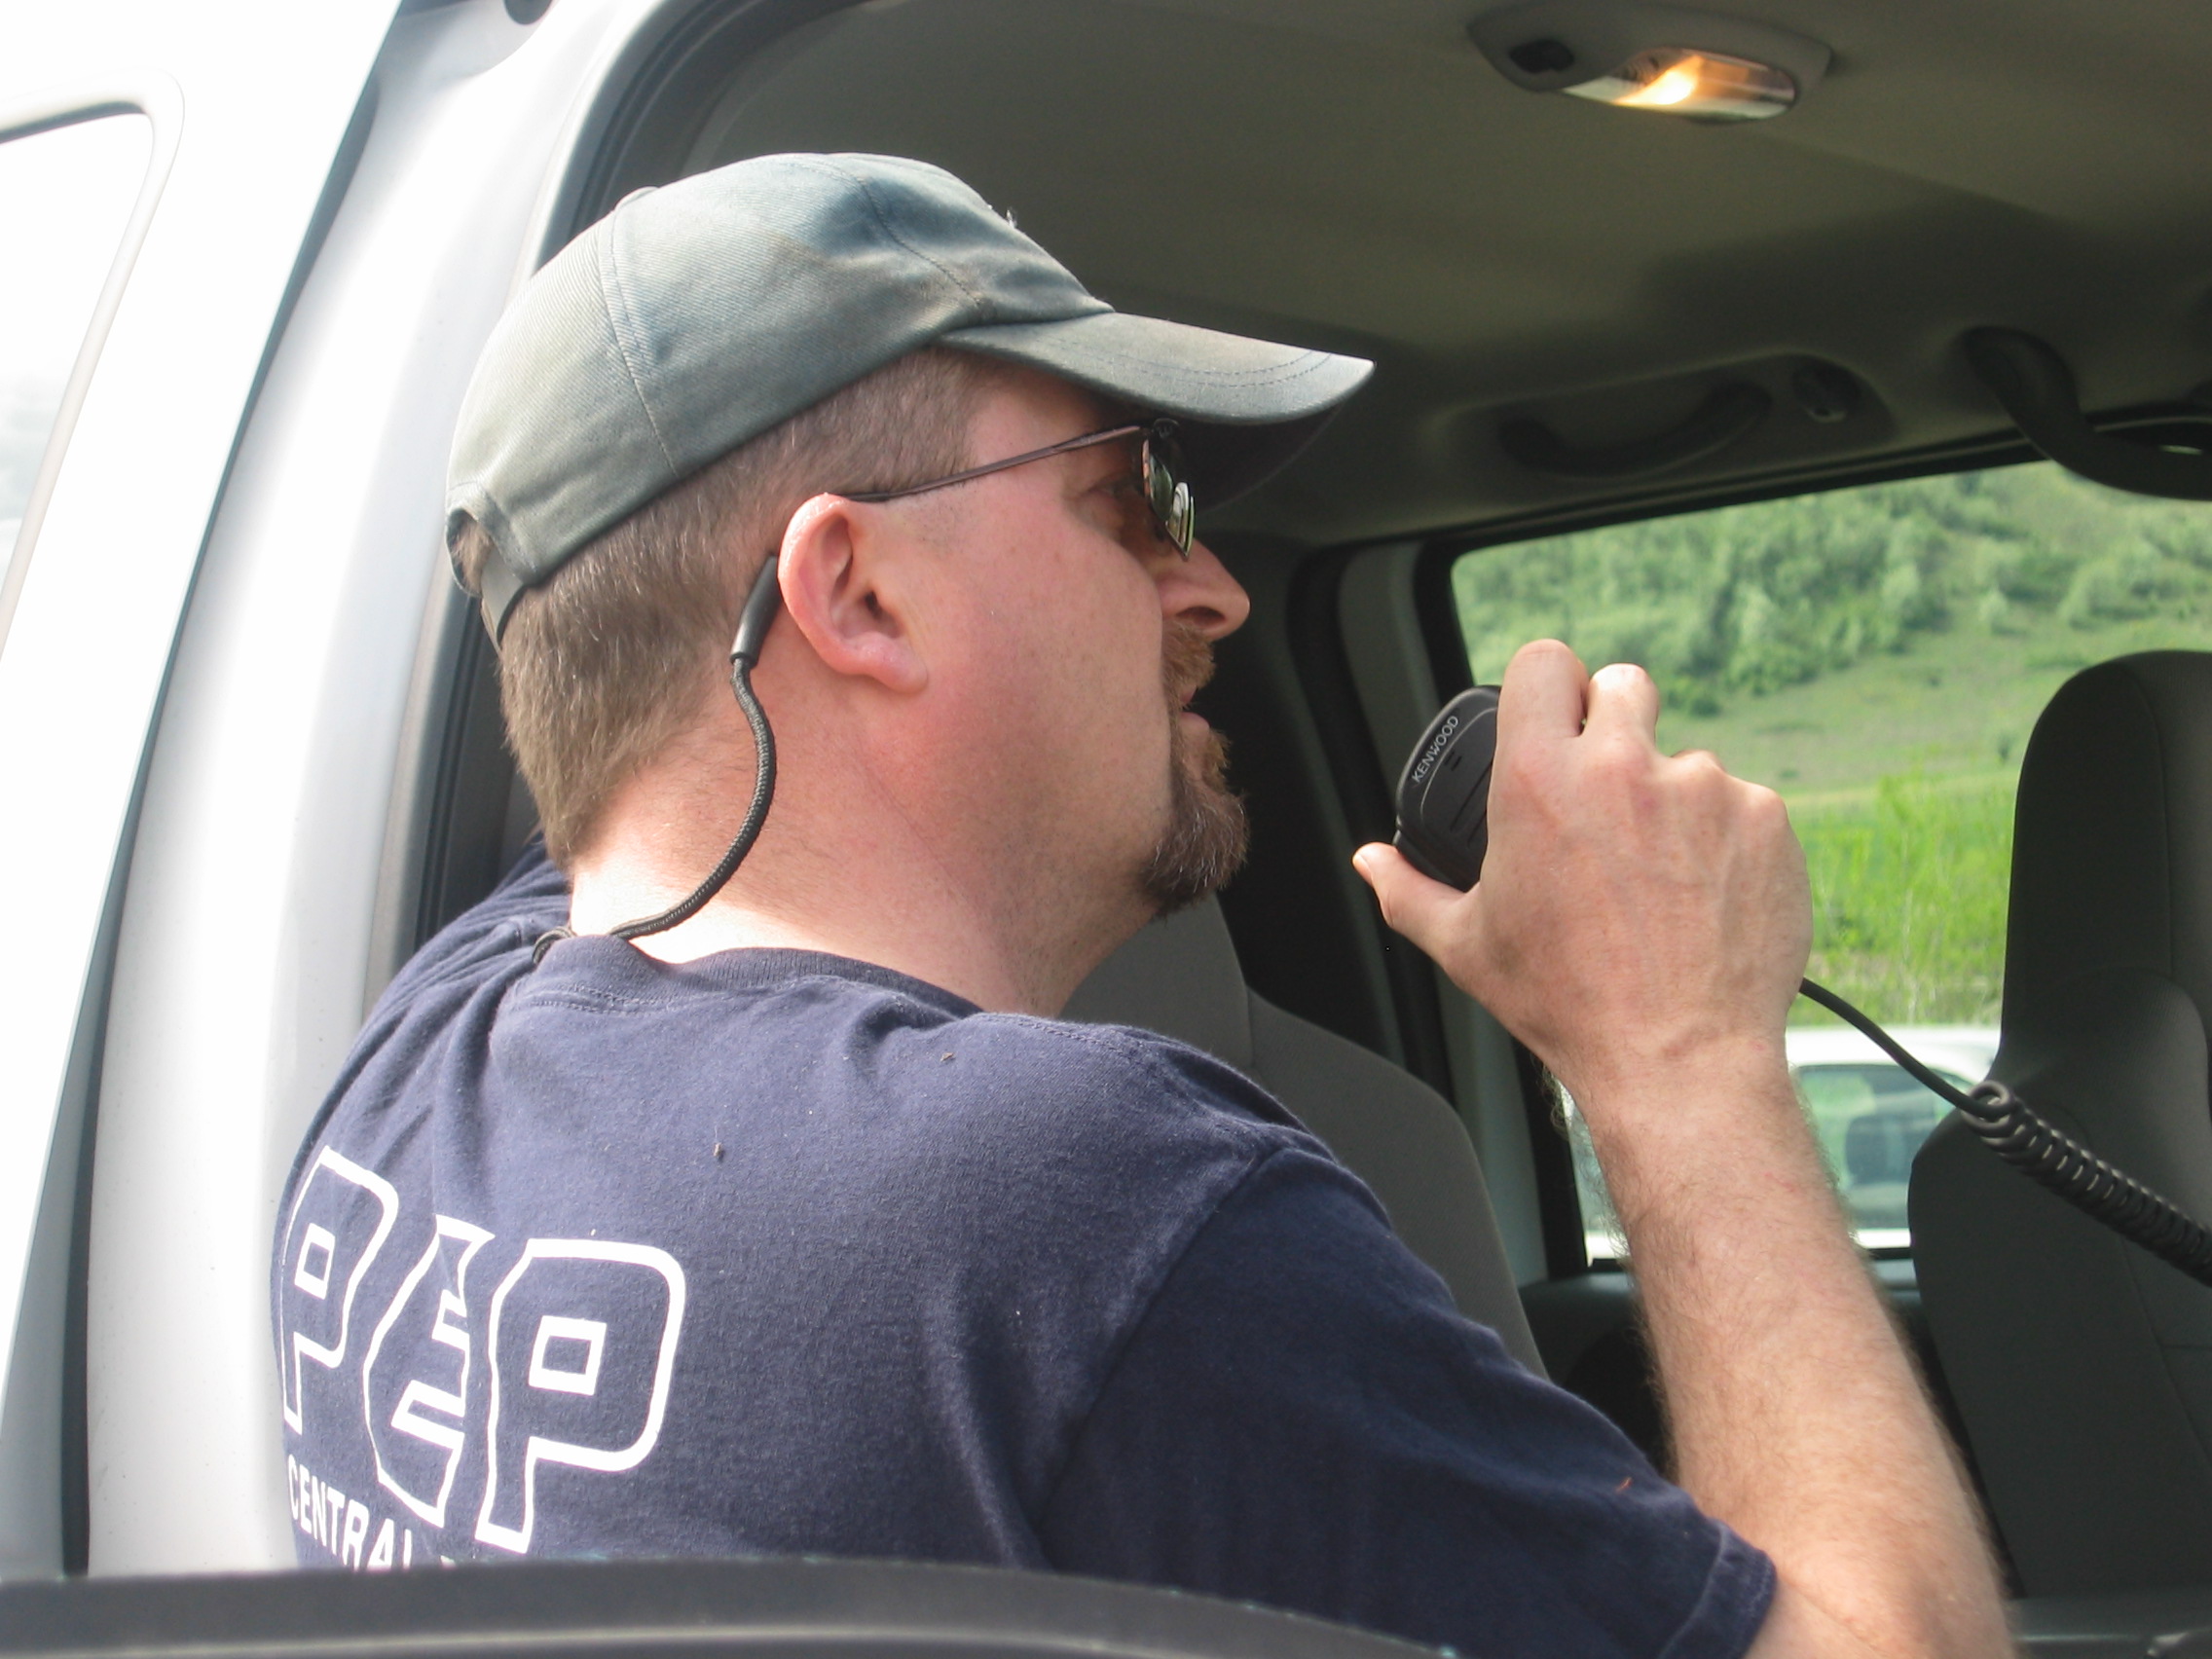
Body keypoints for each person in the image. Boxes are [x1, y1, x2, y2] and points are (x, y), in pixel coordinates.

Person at [272, 153, 2006, 1659]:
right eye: (1134, 497)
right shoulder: (1073, 1209)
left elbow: (620, 772)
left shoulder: (421, 1069)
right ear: (853, 589)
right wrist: (1682, 1045)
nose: (1218, 588)